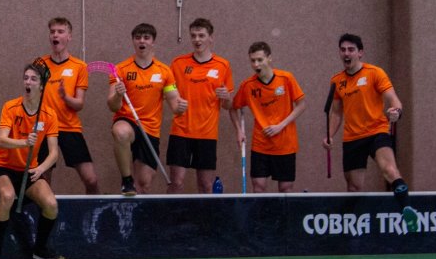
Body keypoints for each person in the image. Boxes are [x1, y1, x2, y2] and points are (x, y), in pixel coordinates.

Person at [323, 33, 418, 232]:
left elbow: (393, 99)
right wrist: (330, 135)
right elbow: (336, 113)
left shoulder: (375, 73)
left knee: (390, 171)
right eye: (343, 50)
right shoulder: (337, 81)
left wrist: (396, 112)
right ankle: (353, 230)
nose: (346, 53)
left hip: (377, 131)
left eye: (351, 50)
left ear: (360, 53)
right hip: (352, 138)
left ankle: (407, 210)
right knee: (354, 187)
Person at [0, 63, 64, 259]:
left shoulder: (49, 114)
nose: (28, 82)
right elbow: (1, 140)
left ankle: (40, 249)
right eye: (26, 78)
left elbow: (54, 153)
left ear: (41, 86)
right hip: (3, 166)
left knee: (51, 204)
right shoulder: (10, 107)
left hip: (29, 169)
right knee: (7, 196)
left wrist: (41, 168)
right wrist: (24, 142)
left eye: (33, 79)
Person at [109, 23, 185, 196]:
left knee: (144, 184)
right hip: (128, 119)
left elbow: (175, 104)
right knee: (120, 132)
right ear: (133, 41)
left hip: (150, 128)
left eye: (146, 38)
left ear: (153, 42)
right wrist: (118, 95)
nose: (141, 41)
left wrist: (180, 108)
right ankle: (126, 180)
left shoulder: (164, 71)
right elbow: (113, 106)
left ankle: (138, 206)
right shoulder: (120, 69)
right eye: (138, 38)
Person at [168, 18, 235, 194]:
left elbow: (228, 105)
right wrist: (175, 103)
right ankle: (172, 212)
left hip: (207, 133)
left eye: (201, 35)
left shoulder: (223, 65)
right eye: (193, 36)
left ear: (211, 37)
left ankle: (206, 213)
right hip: (181, 131)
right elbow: (168, 92)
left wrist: (227, 98)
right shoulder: (178, 63)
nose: (197, 40)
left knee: (206, 185)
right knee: (176, 182)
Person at [230, 42, 307, 193]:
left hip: (285, 145)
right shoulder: (248, 85)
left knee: (285, 188)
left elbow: (302, 105)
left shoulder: (286, 78)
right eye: (253, 61)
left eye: (260, 60)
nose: (256, 64)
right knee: (258, 187)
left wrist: (281, 125)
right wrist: (239, 131)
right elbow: (233, 108)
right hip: (261, 145)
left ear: (269, 58)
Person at [39, 17, 99, 194]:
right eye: (52, 32)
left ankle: (94, 209)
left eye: (60, 31)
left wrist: (65, 97)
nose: (55, 35)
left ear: (69, 36)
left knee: (91, 179)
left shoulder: (79, 66)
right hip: (44, 127)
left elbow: (79, 104)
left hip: (69, 126)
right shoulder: (39, 65)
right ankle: (46, 211)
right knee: (43, 181)